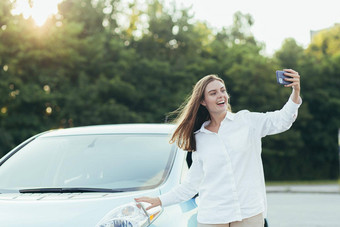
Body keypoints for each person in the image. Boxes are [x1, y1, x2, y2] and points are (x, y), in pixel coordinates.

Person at [135, 69, 302, 227]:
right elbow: (190, 185)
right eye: (213, 93)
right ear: (202, 101)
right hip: (213, 217)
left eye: (222, 90)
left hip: (249, 212)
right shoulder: (199, 138)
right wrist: (159, 200)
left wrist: (295, 92)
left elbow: (282, 120)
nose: (221, 95)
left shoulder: (246, 122)